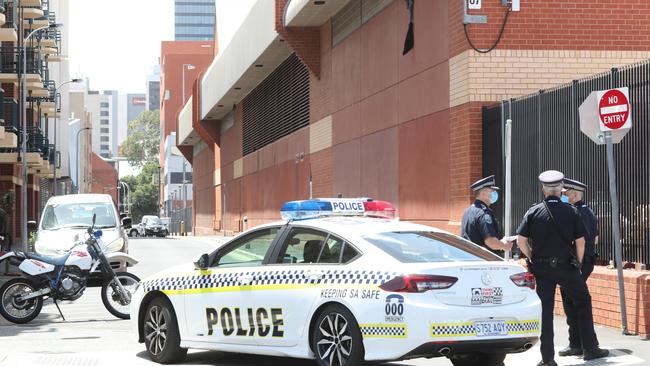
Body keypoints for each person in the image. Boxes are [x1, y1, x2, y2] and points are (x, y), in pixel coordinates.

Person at [516, 170, 608, 366]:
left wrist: (532, 257)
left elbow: (521, 241)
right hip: (567, 267)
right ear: (560, 190)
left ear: (543, 190)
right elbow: (581, 241)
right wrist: (579, 263)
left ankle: (547, 359)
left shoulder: (533, 211)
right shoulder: (572, 211)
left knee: (546, 312)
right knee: (583, 301)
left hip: (541, 268)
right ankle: (590, 348)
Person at [558, 178, 600, 356]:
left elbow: (579, 241)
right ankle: (576, 343)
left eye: (566, 194)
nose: (564, 197)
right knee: (571, 302)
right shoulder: (584, 211)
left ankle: (585, 345)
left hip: (579, 263)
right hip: (579, 262)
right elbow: (595, 238)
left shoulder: (578, 213)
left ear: (574, 195)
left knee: (577, 303)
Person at [460, 175, 512, 254]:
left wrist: (499, 243)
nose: (495, 193)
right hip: (482, 259)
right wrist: (504, 245)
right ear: (483, 193)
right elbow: (490, 241)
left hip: (471, 256)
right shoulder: (483, 213)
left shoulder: (468, 210)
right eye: (492, 191)